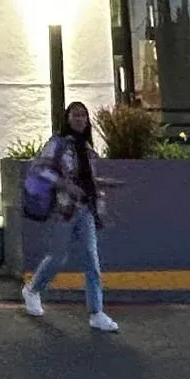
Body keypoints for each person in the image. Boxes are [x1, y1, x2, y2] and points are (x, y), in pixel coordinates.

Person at [22, 101, 118, 332]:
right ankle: (33, 289)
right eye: (75, 115)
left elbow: (85, 179)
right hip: (63, 210)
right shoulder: (57, 144)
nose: (80, 119)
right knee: (58, 257)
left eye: (84, 116)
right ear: (67, 118)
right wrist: (64, 184)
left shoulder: (86, 148)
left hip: (85, 209)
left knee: (91, 260)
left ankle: (96, 312)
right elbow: (39, 169)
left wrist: (102, 184)